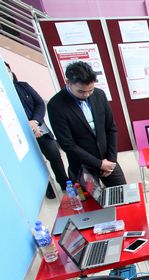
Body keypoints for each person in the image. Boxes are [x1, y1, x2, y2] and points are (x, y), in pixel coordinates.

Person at [47, 61, 124, 186]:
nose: (86, 95)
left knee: (122, 193)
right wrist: (99, 164)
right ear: (68, 82)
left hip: (107, 159)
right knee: (93, 198)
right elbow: (67, 144)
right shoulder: (56, 105)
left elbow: (111, 128)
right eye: (81, 91)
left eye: (90, 90)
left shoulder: (99, 94)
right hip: (82, 164)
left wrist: (111, 160)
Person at [5, 62, 68, 199]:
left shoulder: (23, 86)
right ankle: (48, 187)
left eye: (8, 71)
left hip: (39, 128)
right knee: (35, 162)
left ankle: (64, 183)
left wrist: (35, 121)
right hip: (20, 135)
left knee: (54, 155)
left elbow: (39, 103)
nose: (7, 74)